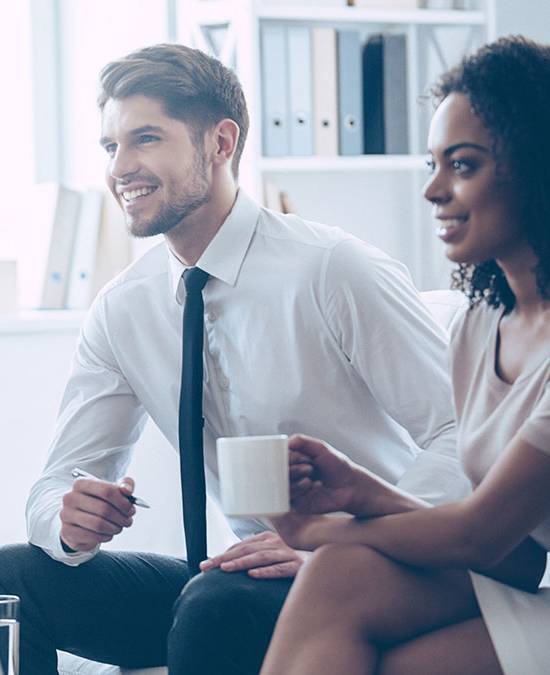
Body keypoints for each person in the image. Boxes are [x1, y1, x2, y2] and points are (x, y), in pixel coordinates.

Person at [0, 43, 471, 674]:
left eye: (145, 139)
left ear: (221, 142)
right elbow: (57, 480)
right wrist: (70, 519)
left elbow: (462, 435)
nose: (120, 167)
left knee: (214, 604)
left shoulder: (332, 270)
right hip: (247, 572)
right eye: (110, 147)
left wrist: (340, 544)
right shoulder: (124, 308)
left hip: (371, 563)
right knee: (2, 581)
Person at [261, 36, 550, 675]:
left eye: (464, 165)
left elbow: (480, 536)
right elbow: (520, 555)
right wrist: (364, 493)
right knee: (343, 579)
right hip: (533, 585)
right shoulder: (481, 327)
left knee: (374, 629)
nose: (433, 191)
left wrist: (318, 531)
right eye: (432, 164)